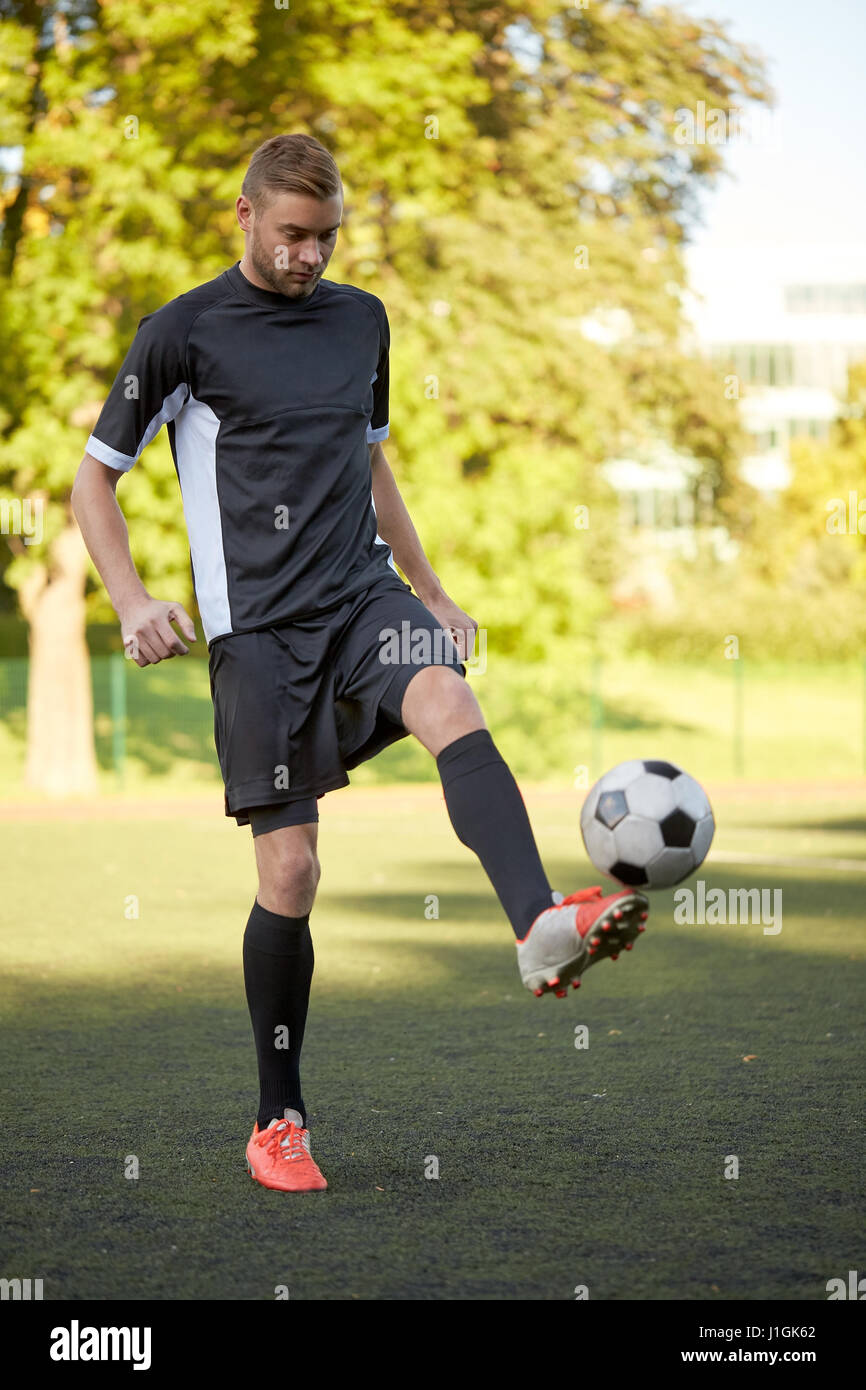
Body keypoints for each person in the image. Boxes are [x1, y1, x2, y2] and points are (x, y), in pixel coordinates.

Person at [71, 133, 649, 1195]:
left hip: (358, 594)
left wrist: (427, 588)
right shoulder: (181, 334)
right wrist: (133, 597)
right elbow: (91, 482)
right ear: (243, 217)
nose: (308, 257)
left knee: (445, 693)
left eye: (326, 237)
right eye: (291, 235)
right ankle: (276, 1117)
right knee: (290, 873)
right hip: (258, 637)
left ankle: (534, 924)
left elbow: (370, 457)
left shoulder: (360, 319)